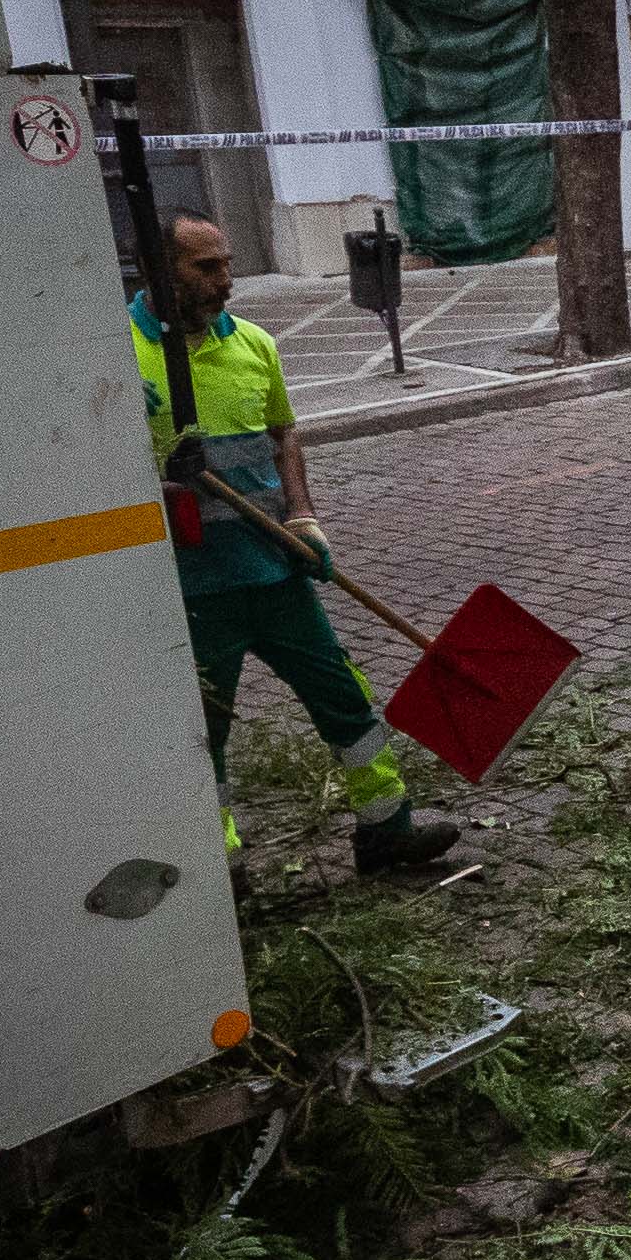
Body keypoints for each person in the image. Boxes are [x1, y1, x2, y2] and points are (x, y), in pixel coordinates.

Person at [134, 210, 459, 892]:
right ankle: (222, 873)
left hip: (275, 570)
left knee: (344, 698)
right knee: (205, 738)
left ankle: (387, 830)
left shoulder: (253, 344)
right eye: (207, 267)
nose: (227, 280)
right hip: (189, 590)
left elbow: (284, 435)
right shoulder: (114, 359)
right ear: (161, 271)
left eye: (227, 263)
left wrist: (304, 516)